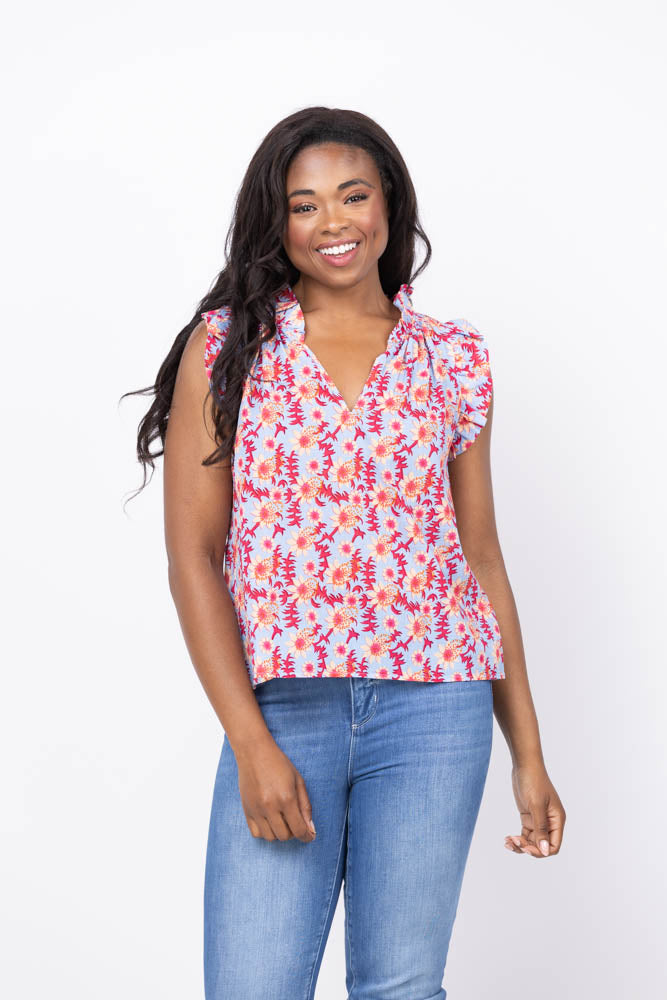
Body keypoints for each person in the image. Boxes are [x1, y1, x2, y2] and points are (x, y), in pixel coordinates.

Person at [124, 107, 566, 999]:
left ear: (388, 204)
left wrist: (528, 753)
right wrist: (250, 741)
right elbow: (192, 559)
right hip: (285, 707)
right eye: (304, 204)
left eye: (353, 195)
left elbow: (479, 557)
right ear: (276, 221)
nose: (333, 221)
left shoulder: (452, 358)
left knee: (401, 988)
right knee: (251, 987)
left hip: (437, 708)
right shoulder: (229, 347)